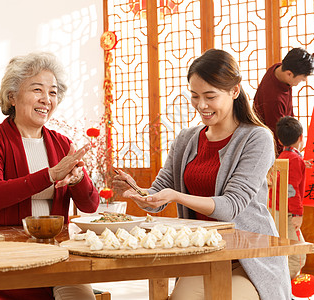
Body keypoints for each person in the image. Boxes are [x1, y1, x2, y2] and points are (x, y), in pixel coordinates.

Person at [114, 49, 291, 299]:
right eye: (195, 96)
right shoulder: (186, 139)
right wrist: (139, 194)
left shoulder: (256, 138)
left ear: (234, 91)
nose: (201, 105)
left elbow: (231, 206)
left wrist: (176, 196)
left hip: (248, 261)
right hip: (202, 255)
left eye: (210, 96)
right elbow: (158, 196)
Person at [0, 52, 100, 300]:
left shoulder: (62, 144)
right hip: (8, 257)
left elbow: (90, 205)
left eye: (53, 92)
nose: (46, 99)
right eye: (37, 89)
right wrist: (50, 174)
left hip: (59, 257)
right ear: (12, 96)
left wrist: (77, 179)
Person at [253, 40, 314, 154]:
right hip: (270, 146)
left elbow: (298, 65)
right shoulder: (274, 100)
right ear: (289, 74)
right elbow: (279, 138)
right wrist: (294, 154)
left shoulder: (278, 69)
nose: (304, 80)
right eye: (302, 78)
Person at [275, 116, 307, 279]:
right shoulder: (295, 160)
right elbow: (291, 190)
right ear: (301, 137)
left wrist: (302, 163)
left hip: (276, 211)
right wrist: (297, 214)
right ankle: (282, 292)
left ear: (280, 141)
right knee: (298, 255)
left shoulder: (283, 157)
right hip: (287, 212)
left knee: (286, 253)